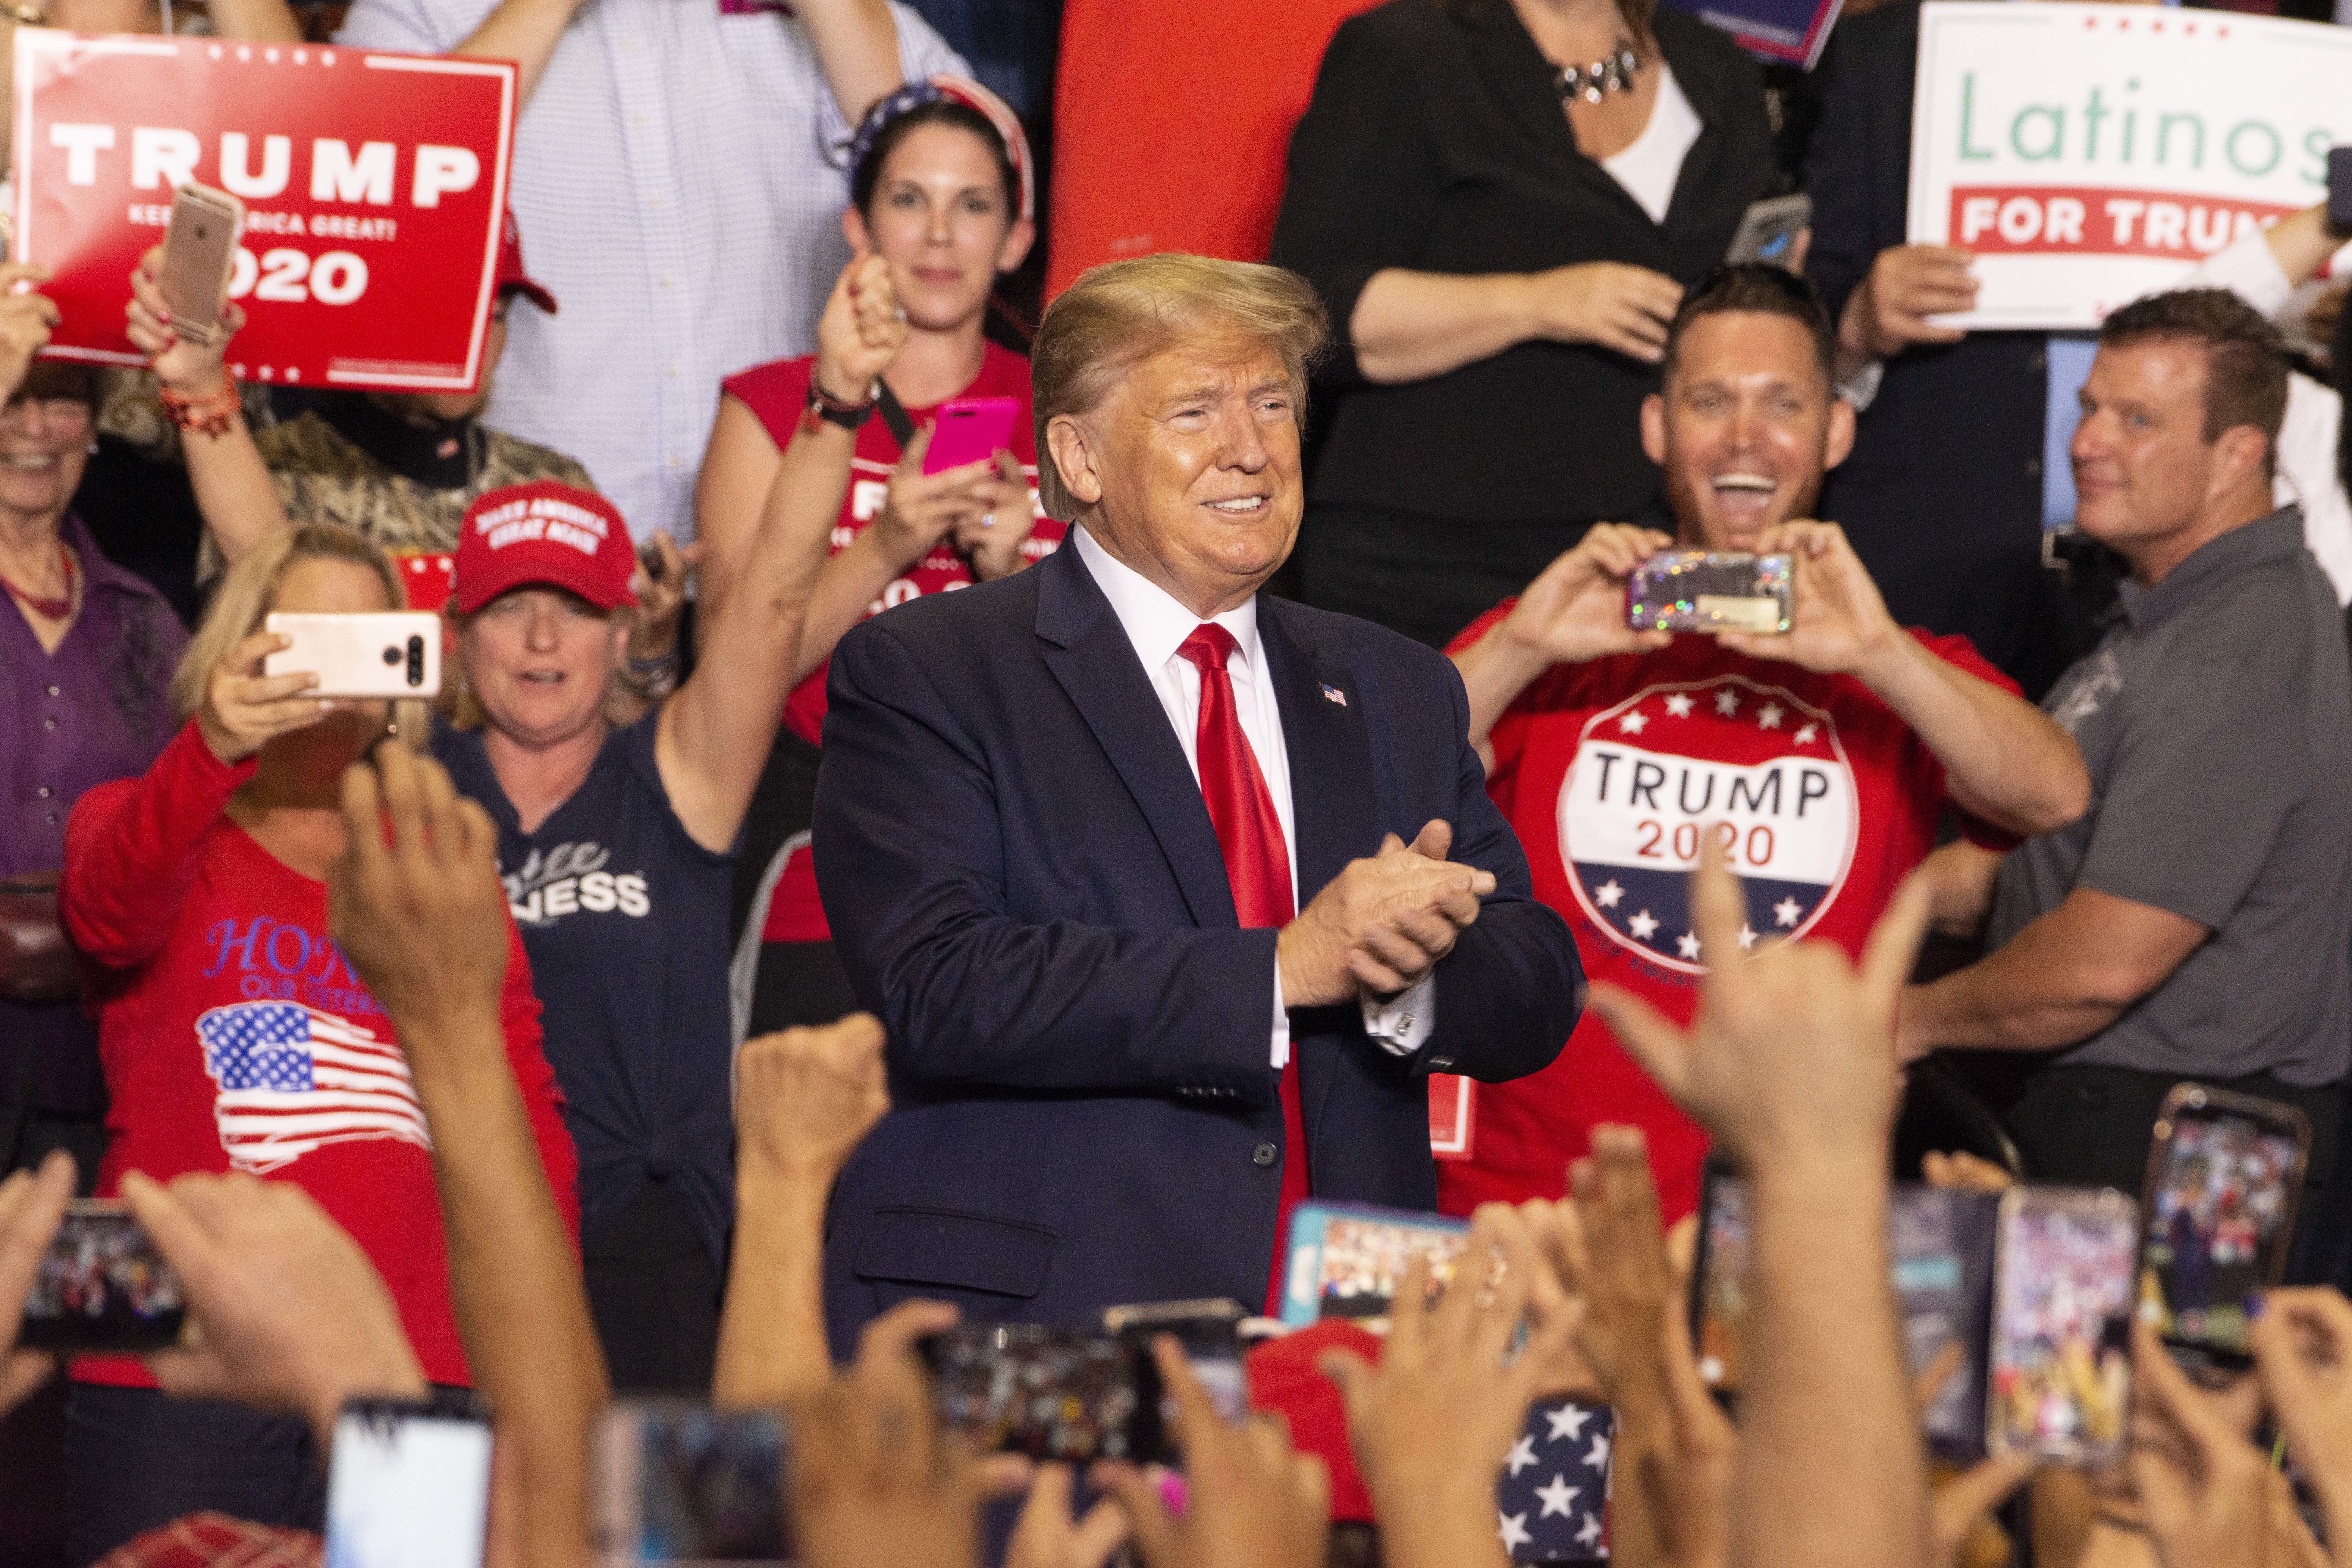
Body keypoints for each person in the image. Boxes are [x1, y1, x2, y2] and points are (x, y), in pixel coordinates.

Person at [811, 252, 1584, 1342]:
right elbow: (942, 983)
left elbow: (1539, 976)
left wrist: (1398, 981)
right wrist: (1282, 969)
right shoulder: (932, 669)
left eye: (1273, 404)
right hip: (1057, 1329)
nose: (1251, 449)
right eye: (1195, 410)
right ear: (1078, 457)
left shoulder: (1397, 686)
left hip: (1351, 1347)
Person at [1440, 264, 2087, 1221]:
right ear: (1659, 428)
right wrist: (1523, 645)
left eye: (1783, 403)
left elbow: (2055, 793)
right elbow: (1364, 777)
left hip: (1779, 1222)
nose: (1745, 437)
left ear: (1836, 430)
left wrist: (1879, 655)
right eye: (1712, 402)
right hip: (1526, 1201)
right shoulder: (1560, 631)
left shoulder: (1898, 666)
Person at [56, 523, 577, 1561]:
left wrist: (537, 1358)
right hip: (169, 1348)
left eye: (366, 638)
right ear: (241, 649)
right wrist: (212, 744)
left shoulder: (440, 867)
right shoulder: (134, 814)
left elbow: (525, 1107)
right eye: (310, 635)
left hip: (419, 1349)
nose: (338, 667)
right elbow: (108, 916)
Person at [1899, 289, 2352, 1235]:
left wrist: (1909, 1018)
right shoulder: (2159, 621)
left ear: (2239, 455)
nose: (2088, 441)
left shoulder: (2241, 646)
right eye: (2089, 406)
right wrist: (1862, 904)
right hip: (2116, 1124)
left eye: (2136, 419)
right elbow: (2037, 864)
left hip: (2177, 1157)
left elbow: (2103, 962)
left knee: (2146, 1395)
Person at [428, 450, 829, 1390]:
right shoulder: (406, 793)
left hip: (644, 1255)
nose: (538, 639)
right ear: (458, 632)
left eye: (572, 608)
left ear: (622, 634)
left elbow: (771, 599)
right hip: (448, 1232)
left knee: (647, 1538)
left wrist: (837, 404)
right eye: (505, 606)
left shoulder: (677, 776)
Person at [332, 0, 964, 544]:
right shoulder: (419, 11)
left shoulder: (844, 19)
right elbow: (366, 191)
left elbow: (965, 179)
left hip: (785, 542)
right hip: (535, 544)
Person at [695, 78, 1056, 1025]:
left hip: (1012, 845)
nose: (940, 235)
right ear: (859, 226)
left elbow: (1117, 688)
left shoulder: (1067, 413)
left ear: (1017, 239)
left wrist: (1010, 577)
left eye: (972, 204)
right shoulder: (769, 406)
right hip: (810, 833)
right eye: (910, 199)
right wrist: (887, 543)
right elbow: (732, 675)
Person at [1267, 0, 1779, 651]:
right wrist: (1541, 301)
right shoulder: (1404, 50)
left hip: (1659, 545)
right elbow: (1307, 310)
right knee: (1424, 752)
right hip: (1428, 553)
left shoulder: (1718, 66)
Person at [126, 227, 688, 717]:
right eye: (449, 307)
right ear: (380, 307)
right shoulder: (283, 467)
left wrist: (649, 648)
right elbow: (272, 589)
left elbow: (615, 726)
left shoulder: (550, 486)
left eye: (494, 316)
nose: (474, 340)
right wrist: (199, 386)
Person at [0, 266, 189, 1198]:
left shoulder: (146, 621)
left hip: (102, 1061)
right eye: (12, 394)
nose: (34, 427)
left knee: (82, 1333)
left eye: (63, 397)